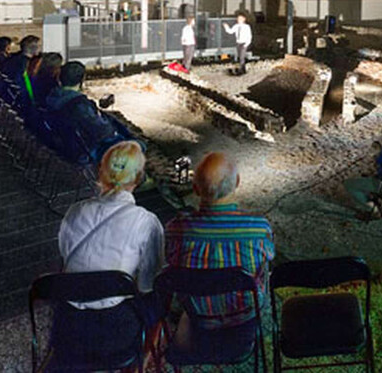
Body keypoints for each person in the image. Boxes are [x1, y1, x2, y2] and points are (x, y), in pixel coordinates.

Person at [164, 152, 275, 329]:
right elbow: (268, 258)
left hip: (198, 315)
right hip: (246, 313)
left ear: (195, 188)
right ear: (237, 182)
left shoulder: (175, 230)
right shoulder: (259, 229)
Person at [58, 140, 164, 309]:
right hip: (115, 318)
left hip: (67, 313)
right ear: (139, 178)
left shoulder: (76, 211)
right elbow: (147, 283)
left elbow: (65, 253)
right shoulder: (146, 222)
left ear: (101, 172)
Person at [45, 61, 134, 162]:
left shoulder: (52, 97)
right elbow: (102, 131)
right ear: (82, 80)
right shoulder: (79, 105)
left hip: (67, 145)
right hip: (84, 152)